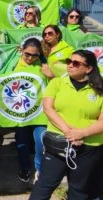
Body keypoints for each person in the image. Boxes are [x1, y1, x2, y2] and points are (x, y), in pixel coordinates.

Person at [29, 50, 103, 199]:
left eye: (76, 63)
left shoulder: (100, 89)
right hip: (58, 143)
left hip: (89, 147)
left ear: (88, 68)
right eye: (69, 61)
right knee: (45, 184)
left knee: (79, 189)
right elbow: (48, 109)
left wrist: (83, 133)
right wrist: (69, 132)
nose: (70, 65)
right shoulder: (57, 82)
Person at [12, 38, 48, 183]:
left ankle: (39, 168)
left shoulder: (44, 65)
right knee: (22, 142)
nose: (30, 58)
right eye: (27, 54)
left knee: (41, 141)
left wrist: (50, 75)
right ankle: (25, 168)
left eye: (35, 55)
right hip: (20, 112)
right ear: (22, 50)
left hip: (40, 112)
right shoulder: (13, 62)